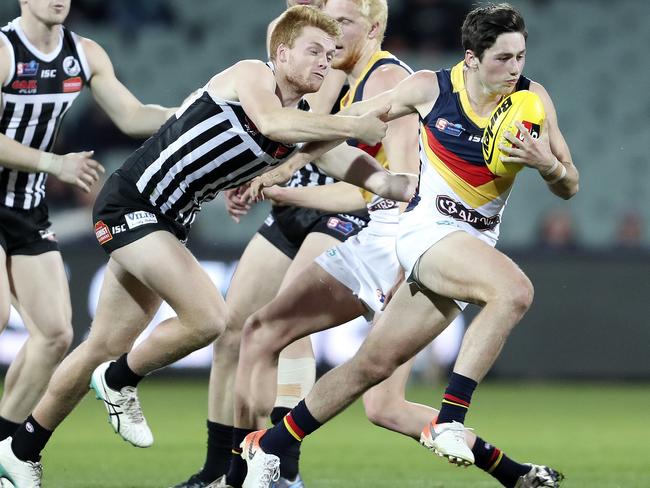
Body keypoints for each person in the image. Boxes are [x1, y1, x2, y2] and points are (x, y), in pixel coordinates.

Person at [0, 6, 415, 487]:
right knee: (211, 318)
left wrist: (404, 186)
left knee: (102, 344)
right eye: (313, 51)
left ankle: (20, 449)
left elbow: (353, 169)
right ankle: (119, 381)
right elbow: (273, 124)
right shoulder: (252, 75)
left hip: (166, 221)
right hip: (132, 203)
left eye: (329, 54)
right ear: (281, 54)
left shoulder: (299, 118)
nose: (325, 62)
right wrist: (351, 125)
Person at [240, 3, 578, 487]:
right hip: (424, 232)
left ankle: (269, 446)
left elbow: (570, 184)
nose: (516, 69)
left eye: (521, 56)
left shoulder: (533, 99)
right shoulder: (430, 88)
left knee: (370, 369)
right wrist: (287, 167)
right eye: (503, 59)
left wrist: (549, 166)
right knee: (514, 291)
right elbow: (352, 119)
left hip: (468, 244)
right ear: (472, 59)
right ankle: (451, 420)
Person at [171, 1, 367, 487]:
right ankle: (220, 470)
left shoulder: (331, 64)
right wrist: (251, 178)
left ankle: (282, 471)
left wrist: (264, 171)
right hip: (286, 207)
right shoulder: (293, 55)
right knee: (230, 331)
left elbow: (303, 127)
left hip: (333, 205)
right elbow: (275, 130)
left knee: (289, 329)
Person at [0, 0, 179, 447]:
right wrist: (52, 163)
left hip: (26, 208)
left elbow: (132, 116)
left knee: (55, 336)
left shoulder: (85, 54)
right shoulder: (4, 50)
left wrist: (195, 116)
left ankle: (3, 448)